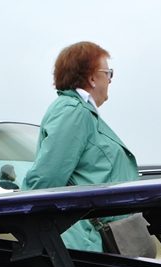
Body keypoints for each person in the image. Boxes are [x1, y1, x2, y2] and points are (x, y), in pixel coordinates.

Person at [23, 41, 138, 251]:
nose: (110, 80)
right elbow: (47, 178)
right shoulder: (74, 112)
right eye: (108, 73)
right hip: (83, 242)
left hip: (94, 237)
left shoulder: (81, 111)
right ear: (92, 78)